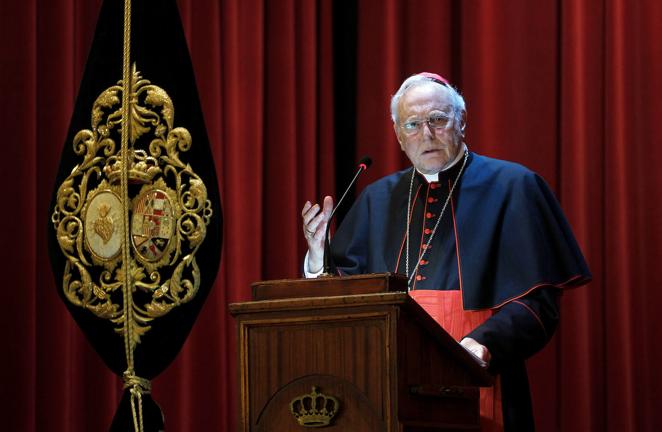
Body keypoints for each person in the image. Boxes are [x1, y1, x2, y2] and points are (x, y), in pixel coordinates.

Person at [301, 72, 591, 431]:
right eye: (413, 123)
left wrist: (482, 345)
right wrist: (319, 259)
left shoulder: (514, 186)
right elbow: (349, 303)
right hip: (391, 385)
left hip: (482, 376)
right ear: (397, 134)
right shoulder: (377, 199)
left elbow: (537, 304)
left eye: (438, 119)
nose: (426, 134)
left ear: (462, 122)